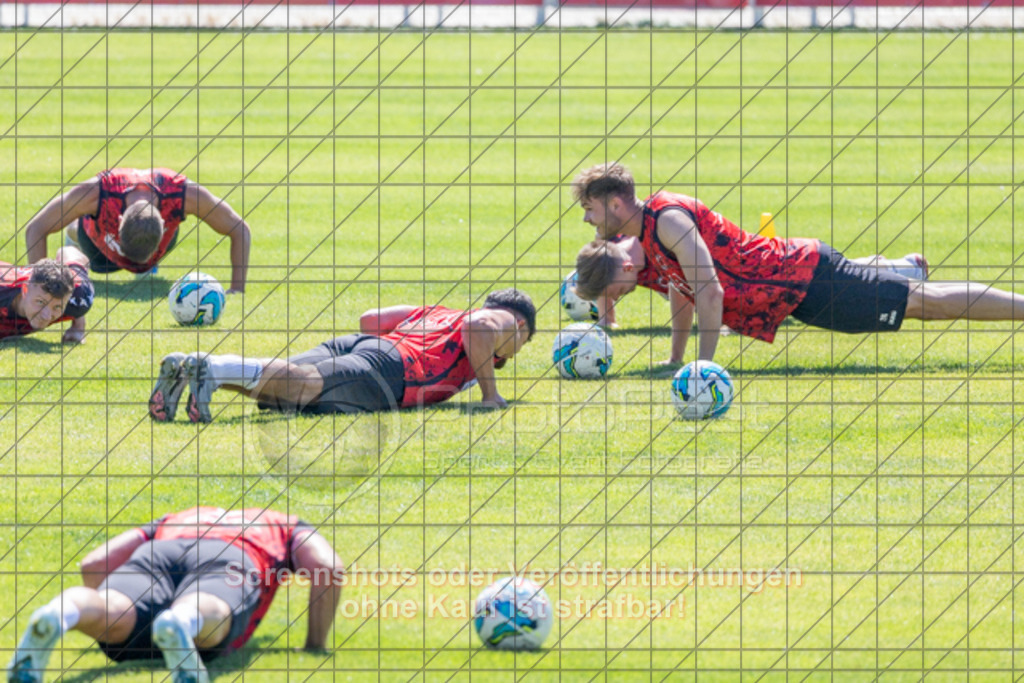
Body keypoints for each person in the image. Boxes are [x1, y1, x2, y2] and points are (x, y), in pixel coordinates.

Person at [571, 161, 1021, 366]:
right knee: (917, 299)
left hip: (802, 278)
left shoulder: (666, 218)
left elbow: (709, 290)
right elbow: (684, 288)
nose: (588, 219)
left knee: (927, 303)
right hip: (796, 293)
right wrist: (677, 358)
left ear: (614, 203)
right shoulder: (646, 230)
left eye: (590, 209)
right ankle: (896, 265)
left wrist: (704, 369)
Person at [5, 506, 344, 683]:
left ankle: (60, 613)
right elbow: (327, 568)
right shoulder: (280, 523)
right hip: (232, 555)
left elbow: (95, 563)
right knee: (208, 606)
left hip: (162, 550)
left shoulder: (180, 516)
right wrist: (315, 645)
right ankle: (180, 622)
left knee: (112, 609)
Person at [148, 287, 536, 423]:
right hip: (395, 366)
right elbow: (480, 329)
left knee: (285, 396)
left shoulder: (440, 314)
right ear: (521, 327)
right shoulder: (503, 322)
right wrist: (492, 395)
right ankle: (213, 367)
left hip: (362, 345)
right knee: (305, 388)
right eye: (524, 342)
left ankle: (193, 370)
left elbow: (371, 320)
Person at [24, 168, 251, 292]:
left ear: (163, 223)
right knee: (78, 230)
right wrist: (40, 290)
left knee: (144, 264)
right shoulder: (98, 192)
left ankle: (149, 261)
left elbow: (240, 229)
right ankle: (73, 233)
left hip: (155, 241)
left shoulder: (183, 193)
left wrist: (237, 289)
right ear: (119, 220)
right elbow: (36, 228)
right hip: (99, 248)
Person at [0, 246, 95, 344]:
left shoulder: (80, 296)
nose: (46, 316)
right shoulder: (4, 290)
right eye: (40, 302)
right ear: (25, 289)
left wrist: (78, 326)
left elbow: (69, 251)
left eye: (57, 307)